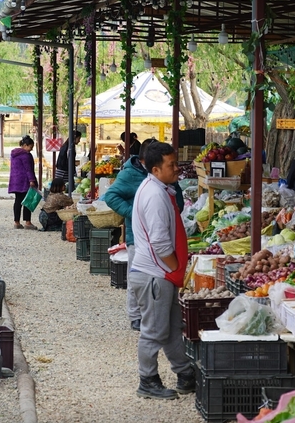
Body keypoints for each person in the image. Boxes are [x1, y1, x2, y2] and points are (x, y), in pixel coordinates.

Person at [129, 142, 194, 399]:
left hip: (159, 274)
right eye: (171, 165)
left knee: (170, 327)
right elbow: (159, 241)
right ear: (156, 170)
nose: (177, 168)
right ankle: (147, 380)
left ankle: (186, 374)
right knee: (154, 332)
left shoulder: (157, 188)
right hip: (154, 274)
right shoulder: (155, 195)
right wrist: (175, 267)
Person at [104, 138, 184, 332]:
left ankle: (160, 320)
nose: (175, 168)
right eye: (170, 164)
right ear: (148, 164)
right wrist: (134, 212)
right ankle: (136, 316)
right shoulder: (130, 175)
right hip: (137, 236)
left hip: (163, 231)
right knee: (137, 275)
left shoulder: (163, 179)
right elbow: (110, 196)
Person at [8, 135, 38, 230]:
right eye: (30, 147)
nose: (31, 149)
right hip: (25, 181)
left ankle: (16, 222)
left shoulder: (14, 154)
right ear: (25, 145)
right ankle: (28, 222)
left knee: (18, 201)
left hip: (16, 180)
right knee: (28, 201)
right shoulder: (26, 155)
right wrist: (32, 180)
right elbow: (29, 169)